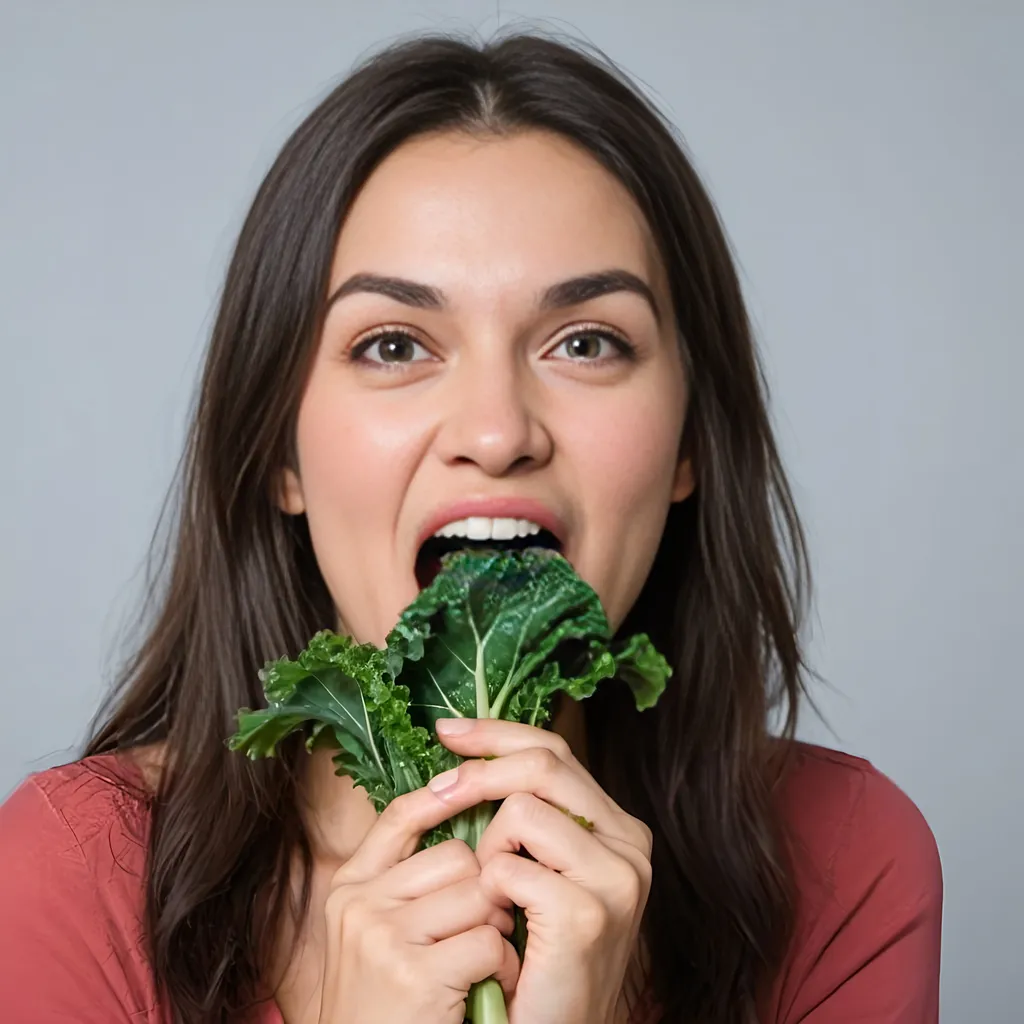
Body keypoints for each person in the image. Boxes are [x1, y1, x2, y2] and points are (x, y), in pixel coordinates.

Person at [0, 29, 942, 1024]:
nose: (496, 433)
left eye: (585, 342)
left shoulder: (845, 860)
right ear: (279, 452)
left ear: (686, 446)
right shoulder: (75, 875)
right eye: (395, 343)